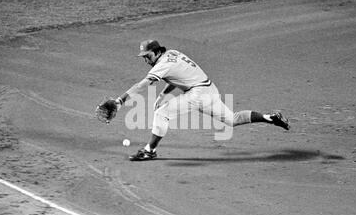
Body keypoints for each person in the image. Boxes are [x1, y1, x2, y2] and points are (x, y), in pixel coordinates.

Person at [111, 40, 290, 161]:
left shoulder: (162, 64)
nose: (146, 60)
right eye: (143, 57)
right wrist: (163, 94)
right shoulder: (173, 53)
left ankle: (149, 151)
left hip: (197, 94)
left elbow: (143, 84)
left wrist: (120, 101)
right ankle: (270, 117)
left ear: (157, 52)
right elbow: (177, 77)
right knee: (232, 119)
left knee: (161, 113)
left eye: (147, 56)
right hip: (209, 89)